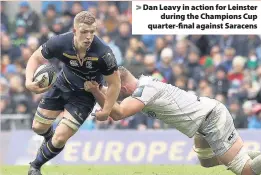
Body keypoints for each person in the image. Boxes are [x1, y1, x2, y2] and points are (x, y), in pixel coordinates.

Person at [85, 66, 261, 175]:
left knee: (246, 171)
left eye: (115, 90)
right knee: (207, 161)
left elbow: (118, 113)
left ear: (122, 88)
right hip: (205, 119)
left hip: (210, 119)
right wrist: (98, 89)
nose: (113, 93)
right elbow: (111, 99)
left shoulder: (145, 91)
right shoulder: (144, 84)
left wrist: (95, 93)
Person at [25, 11, 121, 175]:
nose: (89, 36)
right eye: (84, 31)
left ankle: (35, 167)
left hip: (85, 96)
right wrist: (28, 81)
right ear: (75, 31)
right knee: (38, 127)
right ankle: (49, 139)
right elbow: (35, 57)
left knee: (61, 137)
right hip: (62, 84)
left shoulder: (104, 53)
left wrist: (106, 110)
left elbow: (115, 83)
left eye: (92, 31)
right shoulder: (59, 42)